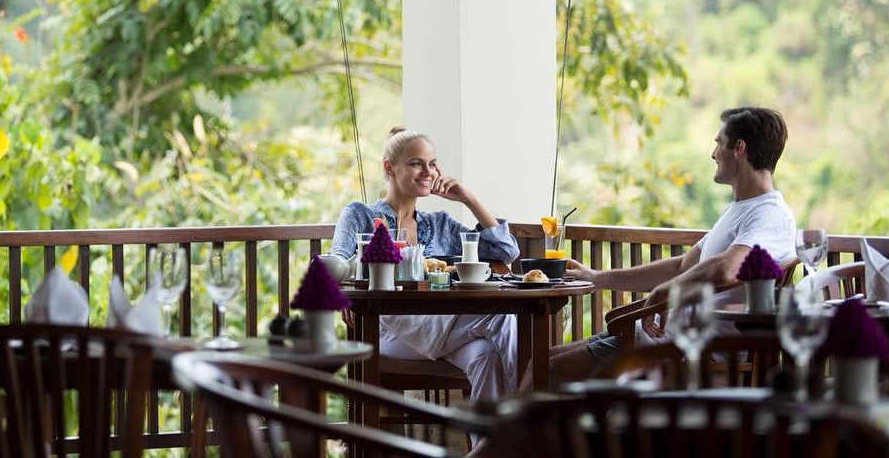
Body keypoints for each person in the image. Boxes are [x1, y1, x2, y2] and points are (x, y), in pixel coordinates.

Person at [522, 106, 797, 389]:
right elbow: (681, 267)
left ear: (739, 148)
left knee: (545, 374)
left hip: (688, 357)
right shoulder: (740, 210)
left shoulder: (769, 215)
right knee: (538, 364)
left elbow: (728, 268)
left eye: (718, 143)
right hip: (663, 343)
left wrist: (666, 291)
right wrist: (597, 277)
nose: (713, 153)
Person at [331, 128, 521, 402]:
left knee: (486, 356)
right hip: (387, 329)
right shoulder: (361, 215)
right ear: (390, 168)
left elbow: (506, 251)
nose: (428, 172)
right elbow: (336, 263)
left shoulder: (439, 224)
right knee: (501, 315)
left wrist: (469, 198)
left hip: (442, 326)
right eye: (416, 163)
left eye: (432, 164)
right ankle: (531, 417)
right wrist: (343, 296)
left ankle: (491, 445)